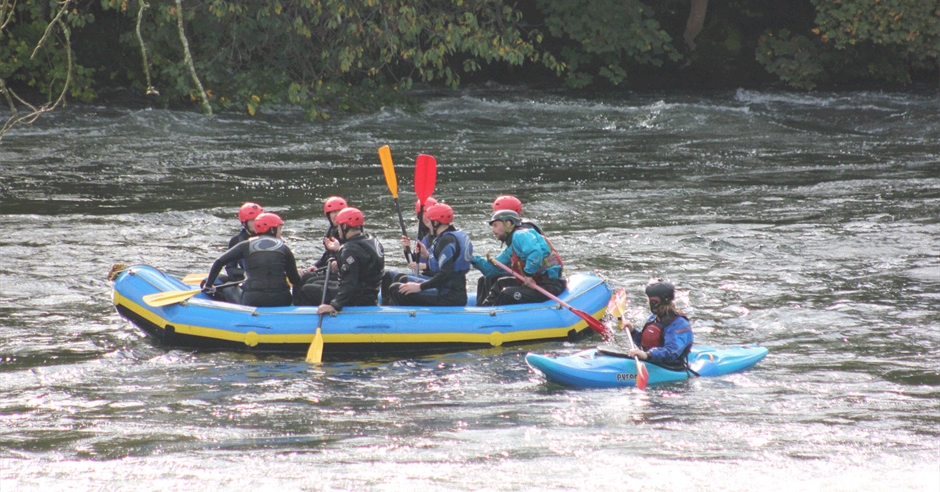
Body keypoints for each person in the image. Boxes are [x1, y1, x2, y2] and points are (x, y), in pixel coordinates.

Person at [202, 212, 302, 307]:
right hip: (282, 300)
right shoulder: (284, 248)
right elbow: (295, 280)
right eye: (279, 229)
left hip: (252, 300)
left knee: (228, 286)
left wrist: (209, 285)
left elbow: (219, 262)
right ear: (272, 230)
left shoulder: (246, 245)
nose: (281, 232)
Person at [470, 209, 566, 306]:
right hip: (537, 283)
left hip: (550, 285)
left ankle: (494, 317)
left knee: (507, 293)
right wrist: (472, 259)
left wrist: (528, 275)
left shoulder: (520, 235)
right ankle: (484, 311)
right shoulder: (512, 247)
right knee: (500, 283)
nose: (493, 230)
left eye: (495, 225)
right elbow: (492, 269)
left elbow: (535, 253)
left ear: (508, 224)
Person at [299, 207, 385, 314]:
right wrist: (338, 251)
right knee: (312, 281)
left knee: (306, 291)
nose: (338, 231)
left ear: (345, 226)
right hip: (368, 291)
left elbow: (350, 284)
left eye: (339, 227)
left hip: (358, 298)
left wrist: (334, 305)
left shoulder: (350, 249)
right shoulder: (370, 240)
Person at [387, 203, 473, 306]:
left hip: (448, 296)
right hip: (450, 290)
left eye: (429, 221)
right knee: (401, 279)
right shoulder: (452, 236)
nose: (427, 225)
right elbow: (447, 265)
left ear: (436, 222)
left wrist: (419, 287)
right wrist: (427, 255)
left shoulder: (445, 241)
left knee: (396, 289)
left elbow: (445, 274)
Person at [380, 197, 437, 304]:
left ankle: (396, 305)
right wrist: (407, 249)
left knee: (401, 279)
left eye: (429, 212)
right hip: (424, 276)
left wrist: (426, 266)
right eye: (424, 213)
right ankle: (386, 307)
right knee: (388, 275)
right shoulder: (423, 235)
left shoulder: (440, 236)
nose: (427, 217)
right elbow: (414, 262)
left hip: (433, 278)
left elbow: (444, 265)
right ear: (419, 215)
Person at [626, 281, 694, 370]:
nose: (647, 301)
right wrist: (632, 331)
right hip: (652, 362)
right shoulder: (655, 317)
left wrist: (648, 355)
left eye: (649, 299)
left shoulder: (679, 324)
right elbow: (646, 342)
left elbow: (671, 352)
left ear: (655, 302)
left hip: (671, 369)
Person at [296, 196, 346, 302]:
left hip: (340, 275)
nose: (335, 215)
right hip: (332, 270)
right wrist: (316, 265)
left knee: (309, 285)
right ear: (328, 215)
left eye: (338, 211)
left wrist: (339, 262)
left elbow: (350, 256)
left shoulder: (347, 233)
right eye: (333, 212)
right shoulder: (331, 230)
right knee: (307, 276)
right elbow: (327, 254)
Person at [218, 202, 264, 283]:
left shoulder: (271, 238)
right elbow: (230, 268)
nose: (257, 224)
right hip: (247, 279)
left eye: (259, 220)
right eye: (253, 220)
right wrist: (245, 274)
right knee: (217, 279)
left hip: (267, 279)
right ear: (244, 223)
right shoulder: (236, 241)